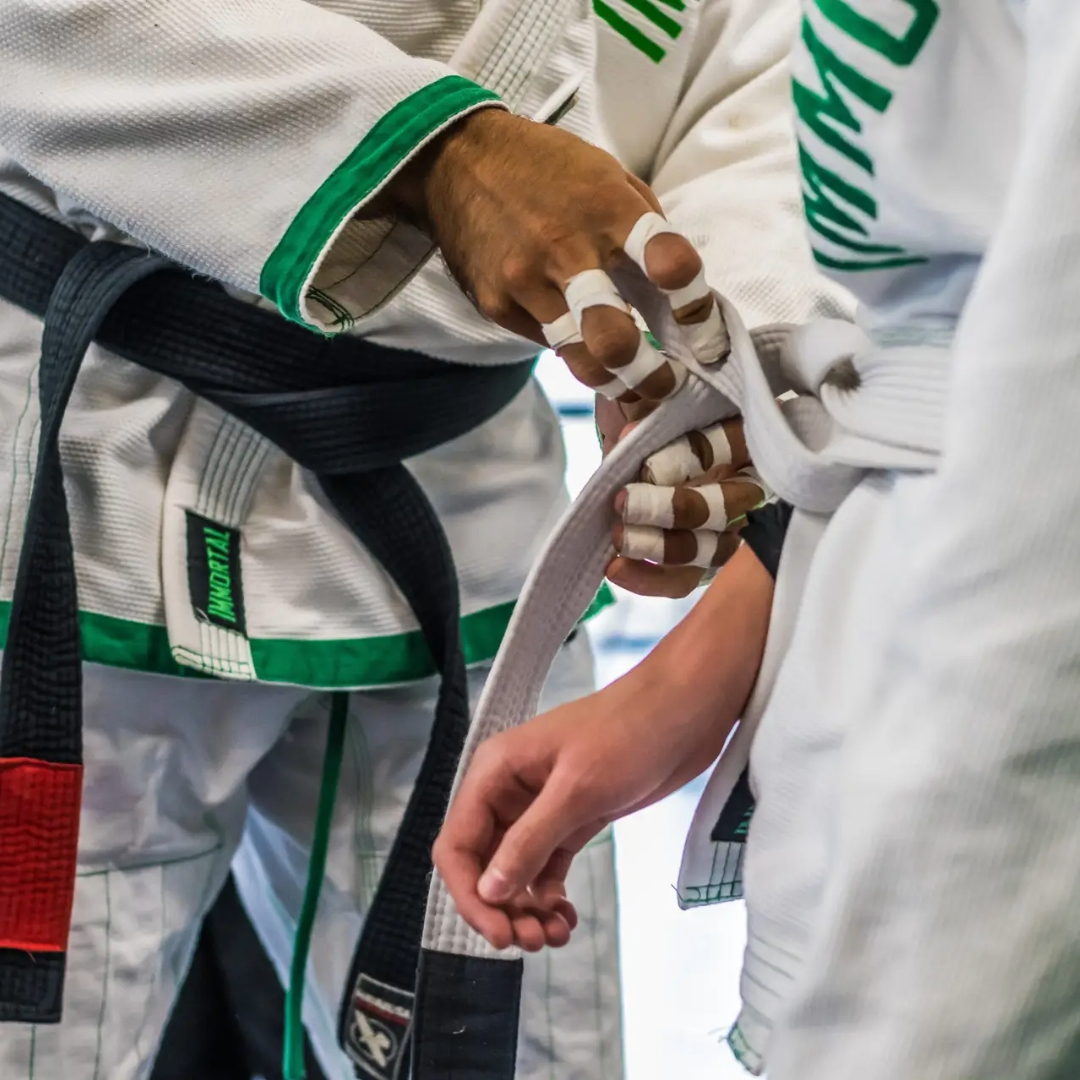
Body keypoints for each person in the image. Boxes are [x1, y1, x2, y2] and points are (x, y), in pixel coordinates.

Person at [0, 0, 852, 1078]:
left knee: (517, 1045)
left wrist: (711, 355)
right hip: (81, 490)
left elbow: (762, 57)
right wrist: (435, 151)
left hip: (472, 521)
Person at [435, 2, 1080, 1077]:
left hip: (983, 785)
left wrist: (917, 996)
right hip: (871, 664)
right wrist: (700, 666)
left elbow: (1043, 453)